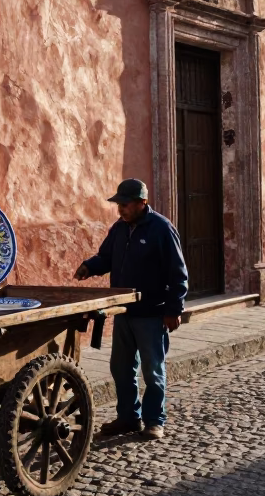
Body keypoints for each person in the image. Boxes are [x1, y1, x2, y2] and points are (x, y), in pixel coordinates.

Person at [75, 179, 188, 440]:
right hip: (124, 312)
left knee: (152, 370)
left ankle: (154, 421)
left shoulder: (162, 228)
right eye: (118, 204)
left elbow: (178, 273)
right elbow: (106, 257)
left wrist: (174, 310)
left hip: (152, 314)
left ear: (142, 203)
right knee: (121, 369)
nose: (120, 209)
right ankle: (128, 418)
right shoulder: (119, 228)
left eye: (125, 204)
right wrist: (89, 267)